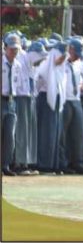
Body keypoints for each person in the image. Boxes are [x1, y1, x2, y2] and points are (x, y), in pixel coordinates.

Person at [36, 41, 69, 173]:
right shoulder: (45, 67)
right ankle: (43, 164)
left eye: (63, 58)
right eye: (60, 58)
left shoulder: (61, 70)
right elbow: (38, 86)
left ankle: (53, 164)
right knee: (46, 134)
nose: (61, 61)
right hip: (45, 101)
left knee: (55, 134)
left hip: (57, 102)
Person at [15, 41, 45, 175]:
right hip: (21, 99)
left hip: (31, 99)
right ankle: (19, 163)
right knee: (22, 132)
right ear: (33, 54)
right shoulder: (21, 63)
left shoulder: (33, 65)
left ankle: (27, 162)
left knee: (30, 132)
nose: (41, 60)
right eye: (39, 56)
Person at [59, 38, 83, 174]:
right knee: (63, 133)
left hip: (76, 100)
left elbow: (80, 79)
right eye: (75, 53)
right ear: (69, 49)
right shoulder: (61, 63)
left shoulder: (78, 64)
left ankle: (77, 162)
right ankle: (62, 162)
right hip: (65, 100)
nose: (77, 57)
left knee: (78, 132)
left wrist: (81, 86)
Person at [2, 34, 23, 176]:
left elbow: (18, 83)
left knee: (10, 135)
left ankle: (5, 164)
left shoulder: (18, 65)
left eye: (16, 49)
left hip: (11, 101)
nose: (14, 52)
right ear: (5, 48)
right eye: (11, 49)